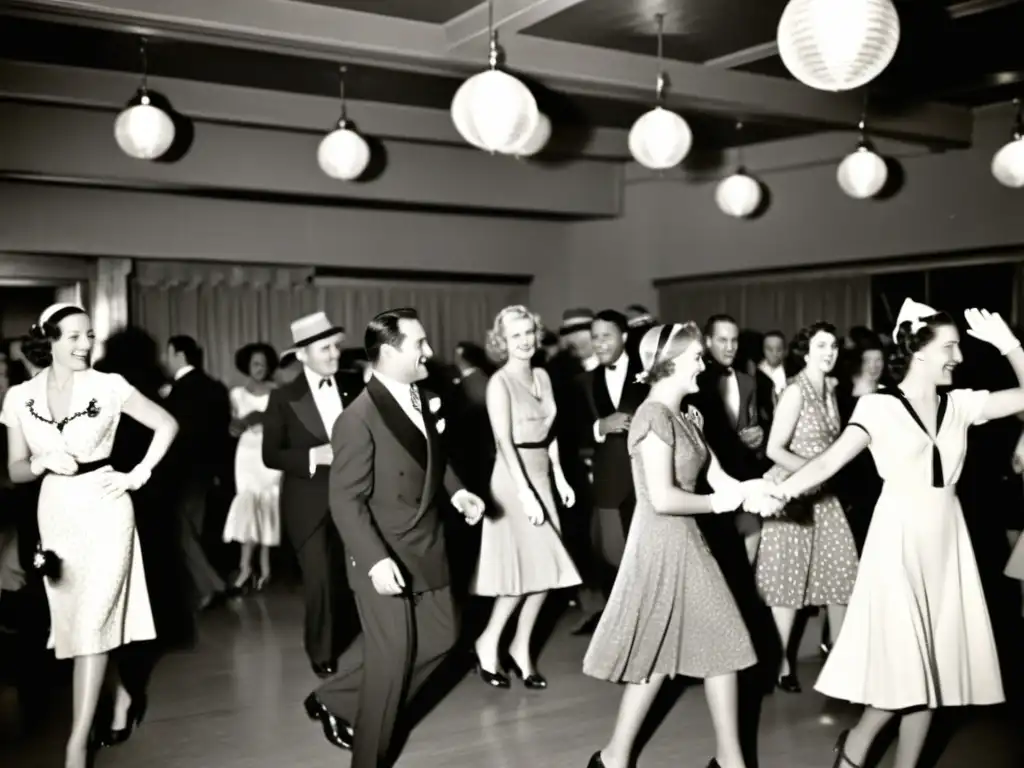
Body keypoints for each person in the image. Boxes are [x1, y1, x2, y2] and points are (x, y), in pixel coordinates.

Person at [760, 302, 1023, 768]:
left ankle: (879, 758)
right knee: (907, 668)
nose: (958, 358)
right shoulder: (877, 406)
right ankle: (857, 750)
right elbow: (826, 463)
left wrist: (1010, 345)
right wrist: (774, 495)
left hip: (947, 542)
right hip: (898, 539)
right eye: (950, 347)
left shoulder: (960, 404)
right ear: (920, 353)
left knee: (934, 673)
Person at [303, 307, 485, 768]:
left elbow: (433, 463)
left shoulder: (428, 399)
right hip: (382, 554)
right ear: (388, 352)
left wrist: (459, 492)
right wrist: (374, 558)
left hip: (427, 544)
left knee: (444, 638)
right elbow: (345, 502)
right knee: (390, 667)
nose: (430, 351)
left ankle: (335, 698)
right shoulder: (357, 418)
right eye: (419, 344)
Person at [583, 323, 770, 768]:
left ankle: (615, 759)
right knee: (719, 640)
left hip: (686, 538)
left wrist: (757, 491)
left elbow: (719, 477)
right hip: (662, 542)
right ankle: (725, 763)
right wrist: (718, 503)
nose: (703, 366)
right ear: (668, 364)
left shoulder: (688, 415)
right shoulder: (652, 416)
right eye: (696, 359)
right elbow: (663, 498)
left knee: (671, 651)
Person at [0, 303, 178, 768]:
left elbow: (167, 424)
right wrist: (39, 463)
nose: (84, 345)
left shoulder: (110, 385)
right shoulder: (20, 396)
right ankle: (120, 695)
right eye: (73, 336)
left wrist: (137, 474)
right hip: (56, 514)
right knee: (81, 625)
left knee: (93, 625)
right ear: (49, 340)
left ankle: (76, 744)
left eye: (90, 336)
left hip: (106, 509)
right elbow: (15, 468)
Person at [470, 306, 581, 689]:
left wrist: (561, 478)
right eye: (516, 335)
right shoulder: (498, 383)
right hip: (513, 480)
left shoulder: (543, 376)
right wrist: (525, 494)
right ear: (502, 341)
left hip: (541, 475)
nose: (525, 340)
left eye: (529, 332)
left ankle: (519, 647)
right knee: (522, 574)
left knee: (547, 574)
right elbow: (504, 443)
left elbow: (548, 434)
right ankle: (488, 642)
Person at [755, 323, 858, 692]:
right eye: (821, 345)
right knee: (788, 583)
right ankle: (781, 664)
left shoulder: (830, 389)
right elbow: (773, 449)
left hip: (823, 494)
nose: (828, 352)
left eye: (833, 345)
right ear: (805, 350)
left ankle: (844, 661)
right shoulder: (795, 391)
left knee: (842, 574)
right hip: (794, 493)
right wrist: (813, 472)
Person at [262, 313, 363, 677]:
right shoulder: (284, 398)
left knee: (362, 576)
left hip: (356, 499)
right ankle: (321, 651)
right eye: (325, 348)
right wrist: (312, 456)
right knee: (320, 581)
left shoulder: (356, 386)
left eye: (336, 346)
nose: (334, 354)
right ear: (302, 355)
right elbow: (270, 454)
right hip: (309, 505)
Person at [163, 335, 231, 611]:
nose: (165, 360)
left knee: (182, 532)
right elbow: (221, 434)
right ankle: (206, 586)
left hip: (182, 473)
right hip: (209, 471)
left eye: (168, 354)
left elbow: (178, 436)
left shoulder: (178, 391)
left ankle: (210, 586)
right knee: (194, 532)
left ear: (179, 355)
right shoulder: (215, 387)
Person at [222, 342, 281, 592]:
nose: (260, 368)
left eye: (264, 364)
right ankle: (247, 567)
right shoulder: (236, 394)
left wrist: (267, 422)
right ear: (247, 365)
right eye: (256, 364)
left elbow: (284, 424)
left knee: (268, 506)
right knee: (248, 507)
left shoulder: (277, 391)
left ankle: (265, 569)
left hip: (269, 455)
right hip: (246, 455)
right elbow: (231, 430)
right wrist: (236, 426)